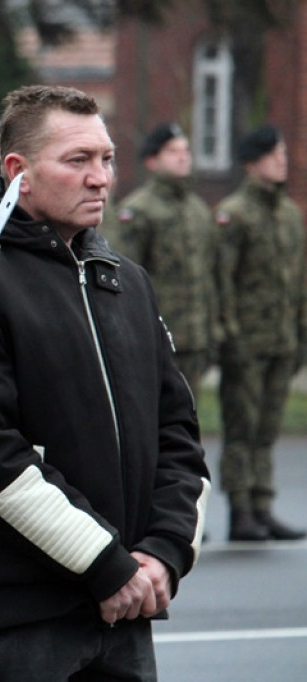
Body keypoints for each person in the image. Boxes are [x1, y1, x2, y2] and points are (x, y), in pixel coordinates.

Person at [0, 85, 211, 681]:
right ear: (18, 172)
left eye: (107, 158)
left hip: (130, 601)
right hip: (28, 616)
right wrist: (104, 564)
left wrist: (164, 553)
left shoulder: (125, 281)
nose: (101, 178)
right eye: (78, 160)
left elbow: (178, 435)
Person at [215, 125, 307, 542]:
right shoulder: (234, 213)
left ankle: (263, 505)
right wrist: (229, 333)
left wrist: (300, 330)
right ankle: (241, 510)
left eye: (283, 154)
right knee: (242, 427)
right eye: (273, 154)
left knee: (267, 428)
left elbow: (298, 279)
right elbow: (223, 278)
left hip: (282, 338)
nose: (282, 161)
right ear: (252, 162)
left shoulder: (288, 214)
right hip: (246, 340)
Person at [114, 123, 219, 397]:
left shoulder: (198, 210)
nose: (183, 156)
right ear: (152, 161)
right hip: (157, 335)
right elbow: (126, 278)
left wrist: (212, 328)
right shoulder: (138, 210)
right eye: (172, 151)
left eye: (186, 150)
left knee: (189, 411)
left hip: (195, 337)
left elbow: (209, 274)